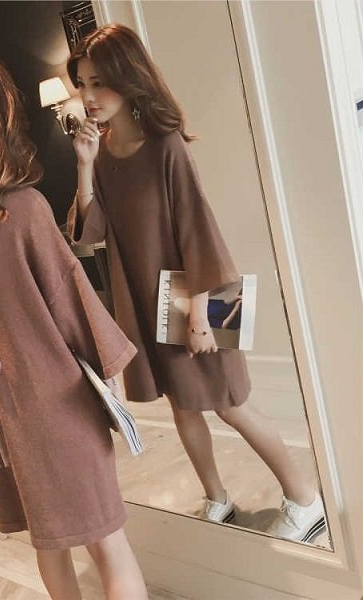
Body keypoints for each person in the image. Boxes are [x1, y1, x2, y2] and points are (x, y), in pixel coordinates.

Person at [66, 24, 325, 543]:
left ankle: (305, 500)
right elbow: (88, 236)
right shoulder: (105, 151)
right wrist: (86, 167)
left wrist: (202, 316)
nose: (88, 97)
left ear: (127, 78)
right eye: (82, 84)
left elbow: (198, 229)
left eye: (99, 83)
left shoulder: (166, 147)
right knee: (181, 405)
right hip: (147, 298)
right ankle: (217, 498)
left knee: (231, 402)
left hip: (201, 293)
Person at [0, 46, 148, 599]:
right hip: (57, 402)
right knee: (109, 543)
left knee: (51, 546)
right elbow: (74, 306)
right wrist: (113, 376)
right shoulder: (24, 209)